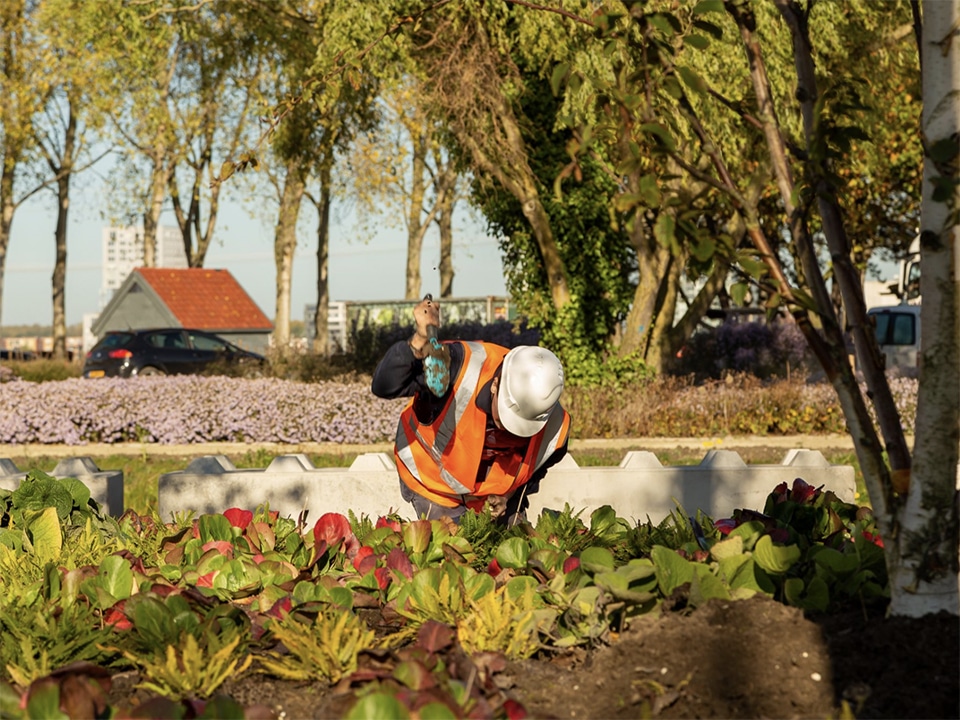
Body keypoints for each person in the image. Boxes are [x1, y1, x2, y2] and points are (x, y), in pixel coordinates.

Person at [371, 295, 570, 526]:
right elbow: (385, 385)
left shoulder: (554, 427)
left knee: (515, 552)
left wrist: (508, 496)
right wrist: (419, 340)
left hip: (493, 498)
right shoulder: (456, 367)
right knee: (454, 548)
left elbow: (537, 467)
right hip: (433, 483)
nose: (508, 428)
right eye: (505, 416)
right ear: (496, 385)